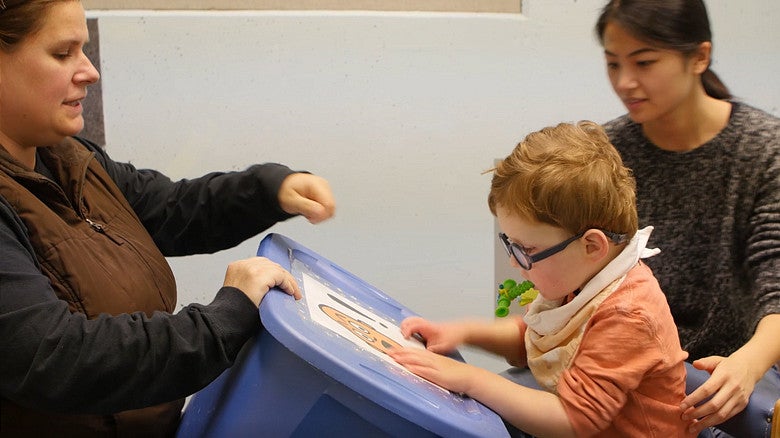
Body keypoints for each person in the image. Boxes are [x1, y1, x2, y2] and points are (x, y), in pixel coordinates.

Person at [0, 0, 336, 436]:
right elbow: (56, 357)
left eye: (83, 50)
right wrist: (224, 317)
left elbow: (171, 208)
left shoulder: (68, 158)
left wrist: (268, 190)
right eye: (63, 54)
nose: (89, 71)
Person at [389, 121, 691, 437]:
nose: (513, 261)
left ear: (591, 246)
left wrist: (470, 378)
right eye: (510, 244)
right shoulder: (581, 278)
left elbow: (575, 420)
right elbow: (539, 338)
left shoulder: (628, 313)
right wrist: (462, 332)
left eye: (527, 249)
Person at [594, 0, 780, 434]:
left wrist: (748, 365)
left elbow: (776, 282)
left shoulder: (764, 152)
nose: (625, 82)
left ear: (699, 56)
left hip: (730, 371)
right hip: (622, 368)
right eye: (612, 64)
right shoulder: (605, 153)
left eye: (644, 62)